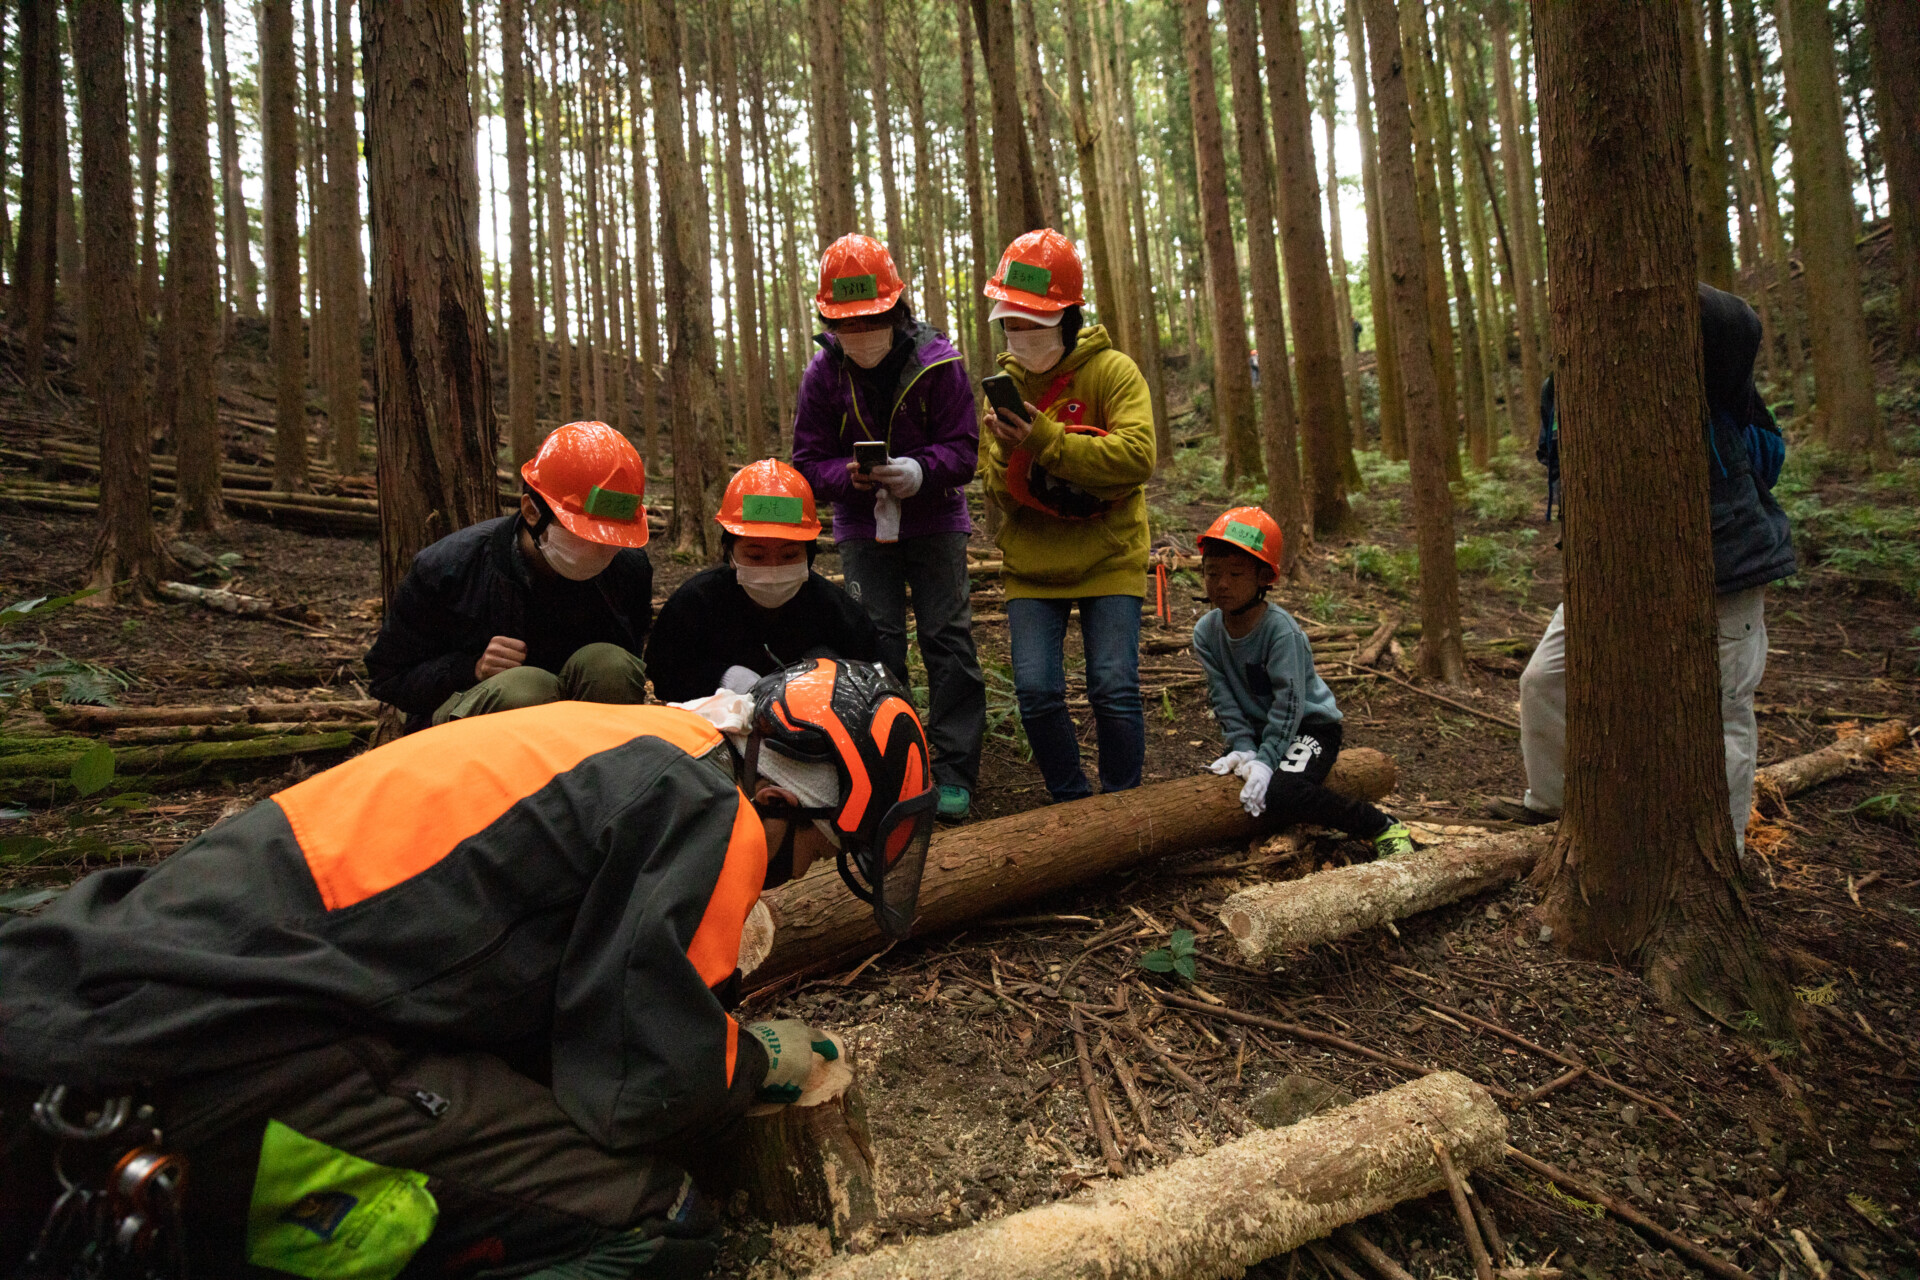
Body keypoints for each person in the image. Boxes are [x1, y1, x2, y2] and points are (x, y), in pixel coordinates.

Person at [0, 659, 936, 1280]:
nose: (796, 875)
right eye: (817, 852)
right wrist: (743, 1059)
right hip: (205, 1055)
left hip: (105, 977)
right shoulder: (711, 809)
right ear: (786, 796)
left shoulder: (637, 737)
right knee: (653, 1228)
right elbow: (643, 1090)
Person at [1487, 283, 1795, 856]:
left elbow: (1739, 324)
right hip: (1611, 573)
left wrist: (1657, 292)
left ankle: (1723, 854)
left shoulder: (1701, 365)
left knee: (1724, 711)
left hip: (1726, 566)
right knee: (1543, 680)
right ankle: (1551, 806)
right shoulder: (1567, 384)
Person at [790, 232, 986, 823]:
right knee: (874, 642)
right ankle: (893, 766)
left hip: (935, 520)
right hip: (861, 524)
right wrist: (845, 477)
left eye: (871, 318)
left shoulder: (939, 363)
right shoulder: (823, 375)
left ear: (896, 308)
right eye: (847, 322)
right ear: (830, 321)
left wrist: (921, 470)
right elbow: (807, 461)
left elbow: (965, 450)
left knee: (947, 639)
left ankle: (954, 770)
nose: (860, 332)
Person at [979, 228, 1156, 803]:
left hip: (1110, 554)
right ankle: (1071, 802)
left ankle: (1123, 802)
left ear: (1067, 316)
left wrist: (1044, 439)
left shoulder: (1113, 372)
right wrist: (1006, 453)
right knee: (1035, 691)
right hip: (1032, 565)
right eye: (1011, 321)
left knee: (1113, 686)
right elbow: (1000, 494)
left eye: (1033, 320)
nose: (1021, 332)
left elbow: (1137, 457)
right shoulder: (1003, 390)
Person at [365, 420, 653, 731]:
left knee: (611, 667)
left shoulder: (628, 570)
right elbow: (389, 677)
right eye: (584, 533)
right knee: (525, 689)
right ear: (532, 512)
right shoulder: (450, 568)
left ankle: (607, 760)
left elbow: (629, 657)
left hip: (582, 726)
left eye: (613, 536)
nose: (601, 548)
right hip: (473, 729)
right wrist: (471, 668)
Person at [1194, 506, 1414, 857]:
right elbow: (1223, 698)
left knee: (1284, 791)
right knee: (1229, 788)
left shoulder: (1280, 632)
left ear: (1263, 577)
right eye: (1212, 572)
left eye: (1235, 573)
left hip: (1309, 727)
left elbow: (1290, 704)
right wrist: (1243, 747)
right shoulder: (1206, 632)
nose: (1222, 583)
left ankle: (1382, 825)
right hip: (1260, 730)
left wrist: (1266, 760)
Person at [647, 460, 882, 703]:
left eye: (789, 555)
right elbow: (663, 674)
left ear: (809, 554)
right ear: (730, 553)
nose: (773, 569)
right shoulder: (695, 604)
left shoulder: (836, 610)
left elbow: (879, 677)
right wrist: (721, 678)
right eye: (755, 556)